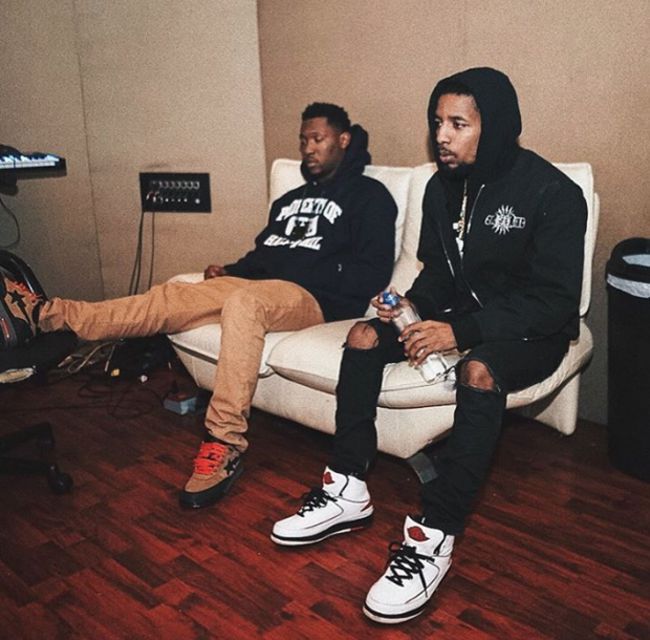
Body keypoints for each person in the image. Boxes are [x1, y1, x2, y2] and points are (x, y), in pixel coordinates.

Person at [272, 68, 588, 624]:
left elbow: (554, 302)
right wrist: (409, 306)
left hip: (531, 331)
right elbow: (440, 275)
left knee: (478, 371)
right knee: (363, 334)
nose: (441, 135)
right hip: (460, 316)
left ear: (495, 126)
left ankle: (433, 537)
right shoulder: (443, 187)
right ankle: (348, 488)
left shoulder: (553, 193)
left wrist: (459, 334)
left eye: (458, 124)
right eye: (437, 122)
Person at [0, 102, 397, 510]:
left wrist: (303, 274)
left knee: (244, 302)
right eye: (303, 140)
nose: (308, 148)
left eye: (317, 139)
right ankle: (45, 314)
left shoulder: (371, 197)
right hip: (260, 284)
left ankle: (224, 442)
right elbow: (264, 255)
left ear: (343, 140)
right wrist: (229, 270)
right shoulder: (290, 200)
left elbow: (371, 273)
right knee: (171, 296)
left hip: (313, 297)